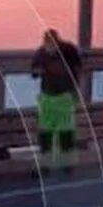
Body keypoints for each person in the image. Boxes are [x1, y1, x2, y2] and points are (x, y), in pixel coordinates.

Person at [30, 28, 82, 174]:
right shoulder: (41, 53)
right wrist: (38, 71)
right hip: (48, 96)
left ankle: (67, 164)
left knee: (65, 132)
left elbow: (78, 68)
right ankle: (47, 165)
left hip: (64, 96)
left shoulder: (68, 50)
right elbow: (33, 71)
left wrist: (75, 90)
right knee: (46, 133)